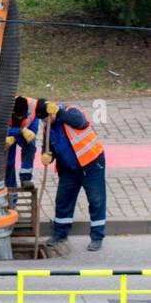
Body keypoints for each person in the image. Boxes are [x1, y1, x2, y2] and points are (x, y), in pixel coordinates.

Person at [39, 99, 106, 253]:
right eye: (42, 120)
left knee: (96, 200)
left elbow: (81, 123)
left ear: (52, 112)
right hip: (69, 170)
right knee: (63, 201)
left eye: (45, 119)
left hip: (92, 164)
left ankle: (97, 237)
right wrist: (46, 155)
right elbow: (48, 146)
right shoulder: (47, 128)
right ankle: (60, 234)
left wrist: (60, 113)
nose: (44, 122)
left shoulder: (70, 112)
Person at [4, 95, 42, 193]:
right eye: (17, 116)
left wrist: (29, 134)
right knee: (8, 162)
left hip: (23, 134)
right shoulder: (4, 107)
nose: (20, 118)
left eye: (22, 117)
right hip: (9, 136)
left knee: (30, 146)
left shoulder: (34, 108)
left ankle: (25, 177)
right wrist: (17, 132)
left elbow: (33, 132)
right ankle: (11, 191)